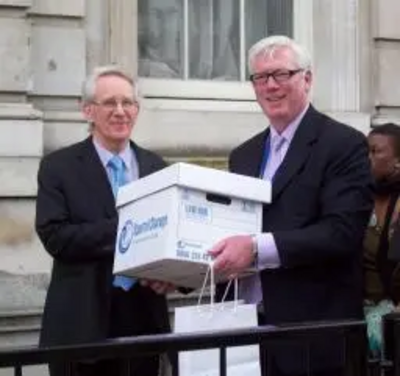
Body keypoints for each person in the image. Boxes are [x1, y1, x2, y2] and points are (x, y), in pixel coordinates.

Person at [209, 35, 374, 376]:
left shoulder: (343, 144)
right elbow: (228, 229)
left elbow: (341, 232)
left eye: (281, 74)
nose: (271, 86)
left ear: (307, 79)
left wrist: (255, 249)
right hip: (245, 331)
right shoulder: (243, 154)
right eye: (260, 77)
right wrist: (180, 270)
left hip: (314, 337)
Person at [35, 66, 174, 376]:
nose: (121, 112)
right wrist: (131, 231)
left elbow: (171, 233)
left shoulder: (158, 167)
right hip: (80, 326)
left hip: (144, 323)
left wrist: (174, 276)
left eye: (129, 103)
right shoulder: (58, 167)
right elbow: (55, 236)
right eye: (110, 103)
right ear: (88, 110)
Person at [364, 124, 400, 355]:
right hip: (358, 313)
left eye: (376, 151)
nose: (368, 158)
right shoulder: (359, 195)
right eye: (365, 151)